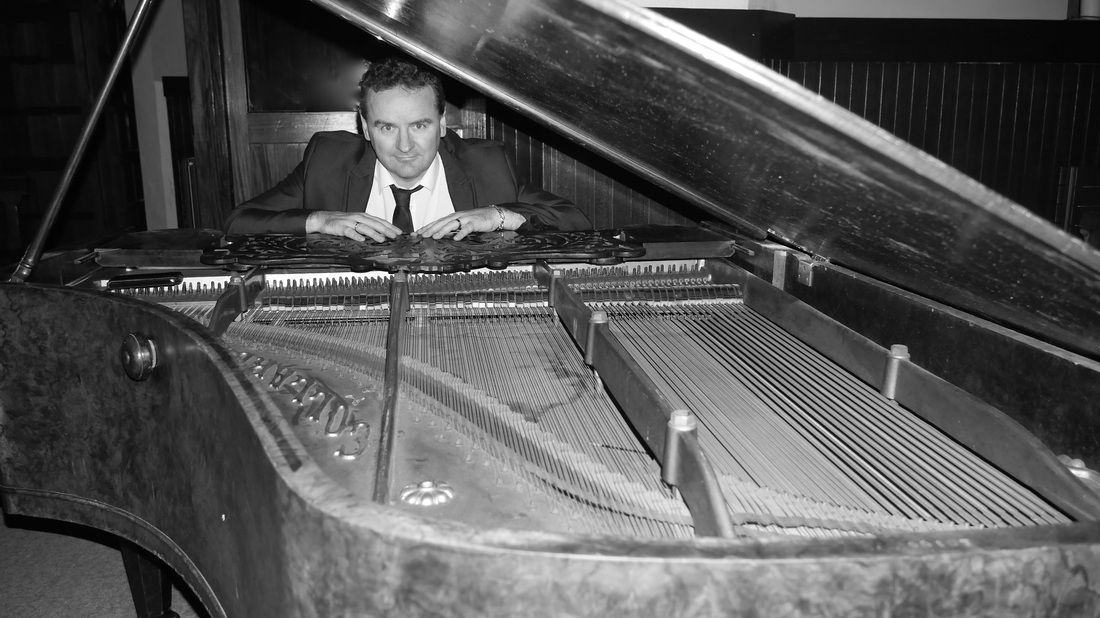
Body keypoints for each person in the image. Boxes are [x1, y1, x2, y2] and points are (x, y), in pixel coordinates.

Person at [224, 57, 591, 241]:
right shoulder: (327, 160)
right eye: (386, 127)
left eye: (419, 125)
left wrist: (497, 215)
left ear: (443, 123)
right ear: (365, 128)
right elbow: (238, 222)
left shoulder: (486, 163)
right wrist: (320, 220)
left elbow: (576, 221)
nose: (404, 146)